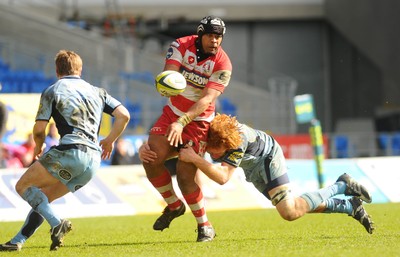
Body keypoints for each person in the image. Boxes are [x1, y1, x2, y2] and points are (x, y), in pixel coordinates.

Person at [139, 114, 375, 235]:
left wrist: (196, 159)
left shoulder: (237, 142)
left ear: (226, 146)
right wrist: (150, 151)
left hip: (268, 158)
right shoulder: (210, 134)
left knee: (289, 211)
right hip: (252, 167)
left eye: (213, 151)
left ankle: (341, 186)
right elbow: (183, 151)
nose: (209, 153)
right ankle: (350, 206)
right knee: (292, 209)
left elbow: (222, 178)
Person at [0, 50, 130, 252]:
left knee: (23, 186)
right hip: (93, 161)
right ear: (80, 69)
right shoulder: (98, 91)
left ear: (57, 69)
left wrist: (38, 145)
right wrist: (110, 140)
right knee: (43, 199)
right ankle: (17, 241)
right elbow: (124, 115)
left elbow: (40, 129)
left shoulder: (53, 90)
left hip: (70, 152)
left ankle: (57, 223)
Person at [142, 15, 232, 242]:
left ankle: (205, 226)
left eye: (219, 37)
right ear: (201, 34)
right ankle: (174, 206)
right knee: (150, 157)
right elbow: (169, 74)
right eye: (211, 35)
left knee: (185, 175)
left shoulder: (223, 64)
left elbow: (207, 99)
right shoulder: (180, 45)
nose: (215, 41)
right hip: (172, 112)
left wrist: (182, 122)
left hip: (199, 121)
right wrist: (166, 84)